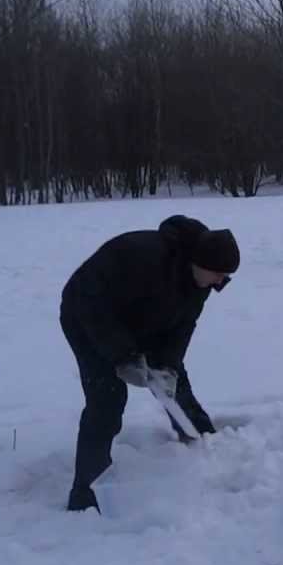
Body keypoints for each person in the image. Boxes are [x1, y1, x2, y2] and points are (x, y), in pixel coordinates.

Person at [60, 215, 240, 512]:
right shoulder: (144, 258)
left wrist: (168, 365)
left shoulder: (201, 281)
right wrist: (123, 356)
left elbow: (183, 327)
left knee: (170, 377)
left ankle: (199, 435)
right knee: (107, 398)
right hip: (86, 315)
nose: (221, 282)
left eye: (225, 276)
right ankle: (87, 490)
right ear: (198, 262)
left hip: (142, 319)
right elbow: (91, 303)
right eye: (218, 273)